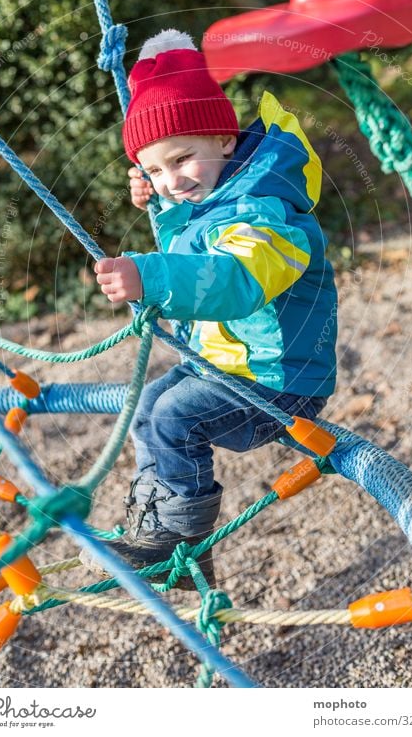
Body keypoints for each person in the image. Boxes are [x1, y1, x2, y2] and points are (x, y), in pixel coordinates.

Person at [83, 29, 338, 587]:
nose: (171, 180)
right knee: (151, 402)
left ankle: (180, 541)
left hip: (278, 380)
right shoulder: (216, 193)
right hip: (227, 366)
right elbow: (196, 242)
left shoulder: (268, 209)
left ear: (225, 138)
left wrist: (146, 275)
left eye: (181, 160)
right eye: (153, 171)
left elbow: (234, 282)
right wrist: (167, 208)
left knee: (175, 418)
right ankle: (161, 528)